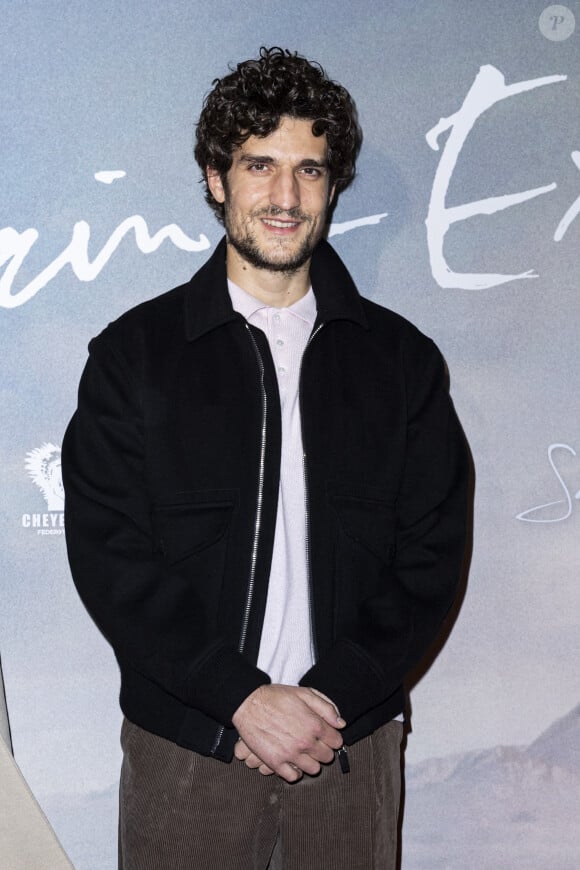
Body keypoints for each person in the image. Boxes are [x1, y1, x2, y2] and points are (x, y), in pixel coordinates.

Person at [62, 46, 470, 869]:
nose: (284, 197)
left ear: (331, 187)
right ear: (217, 178)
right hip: (189, 747)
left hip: (349, 746)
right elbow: (112, 557)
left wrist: (330, 697)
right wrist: (239, 697)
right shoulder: (134, 356)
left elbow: (431, 557)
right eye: (259, 165)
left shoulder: (402, 362)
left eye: (309, 171)